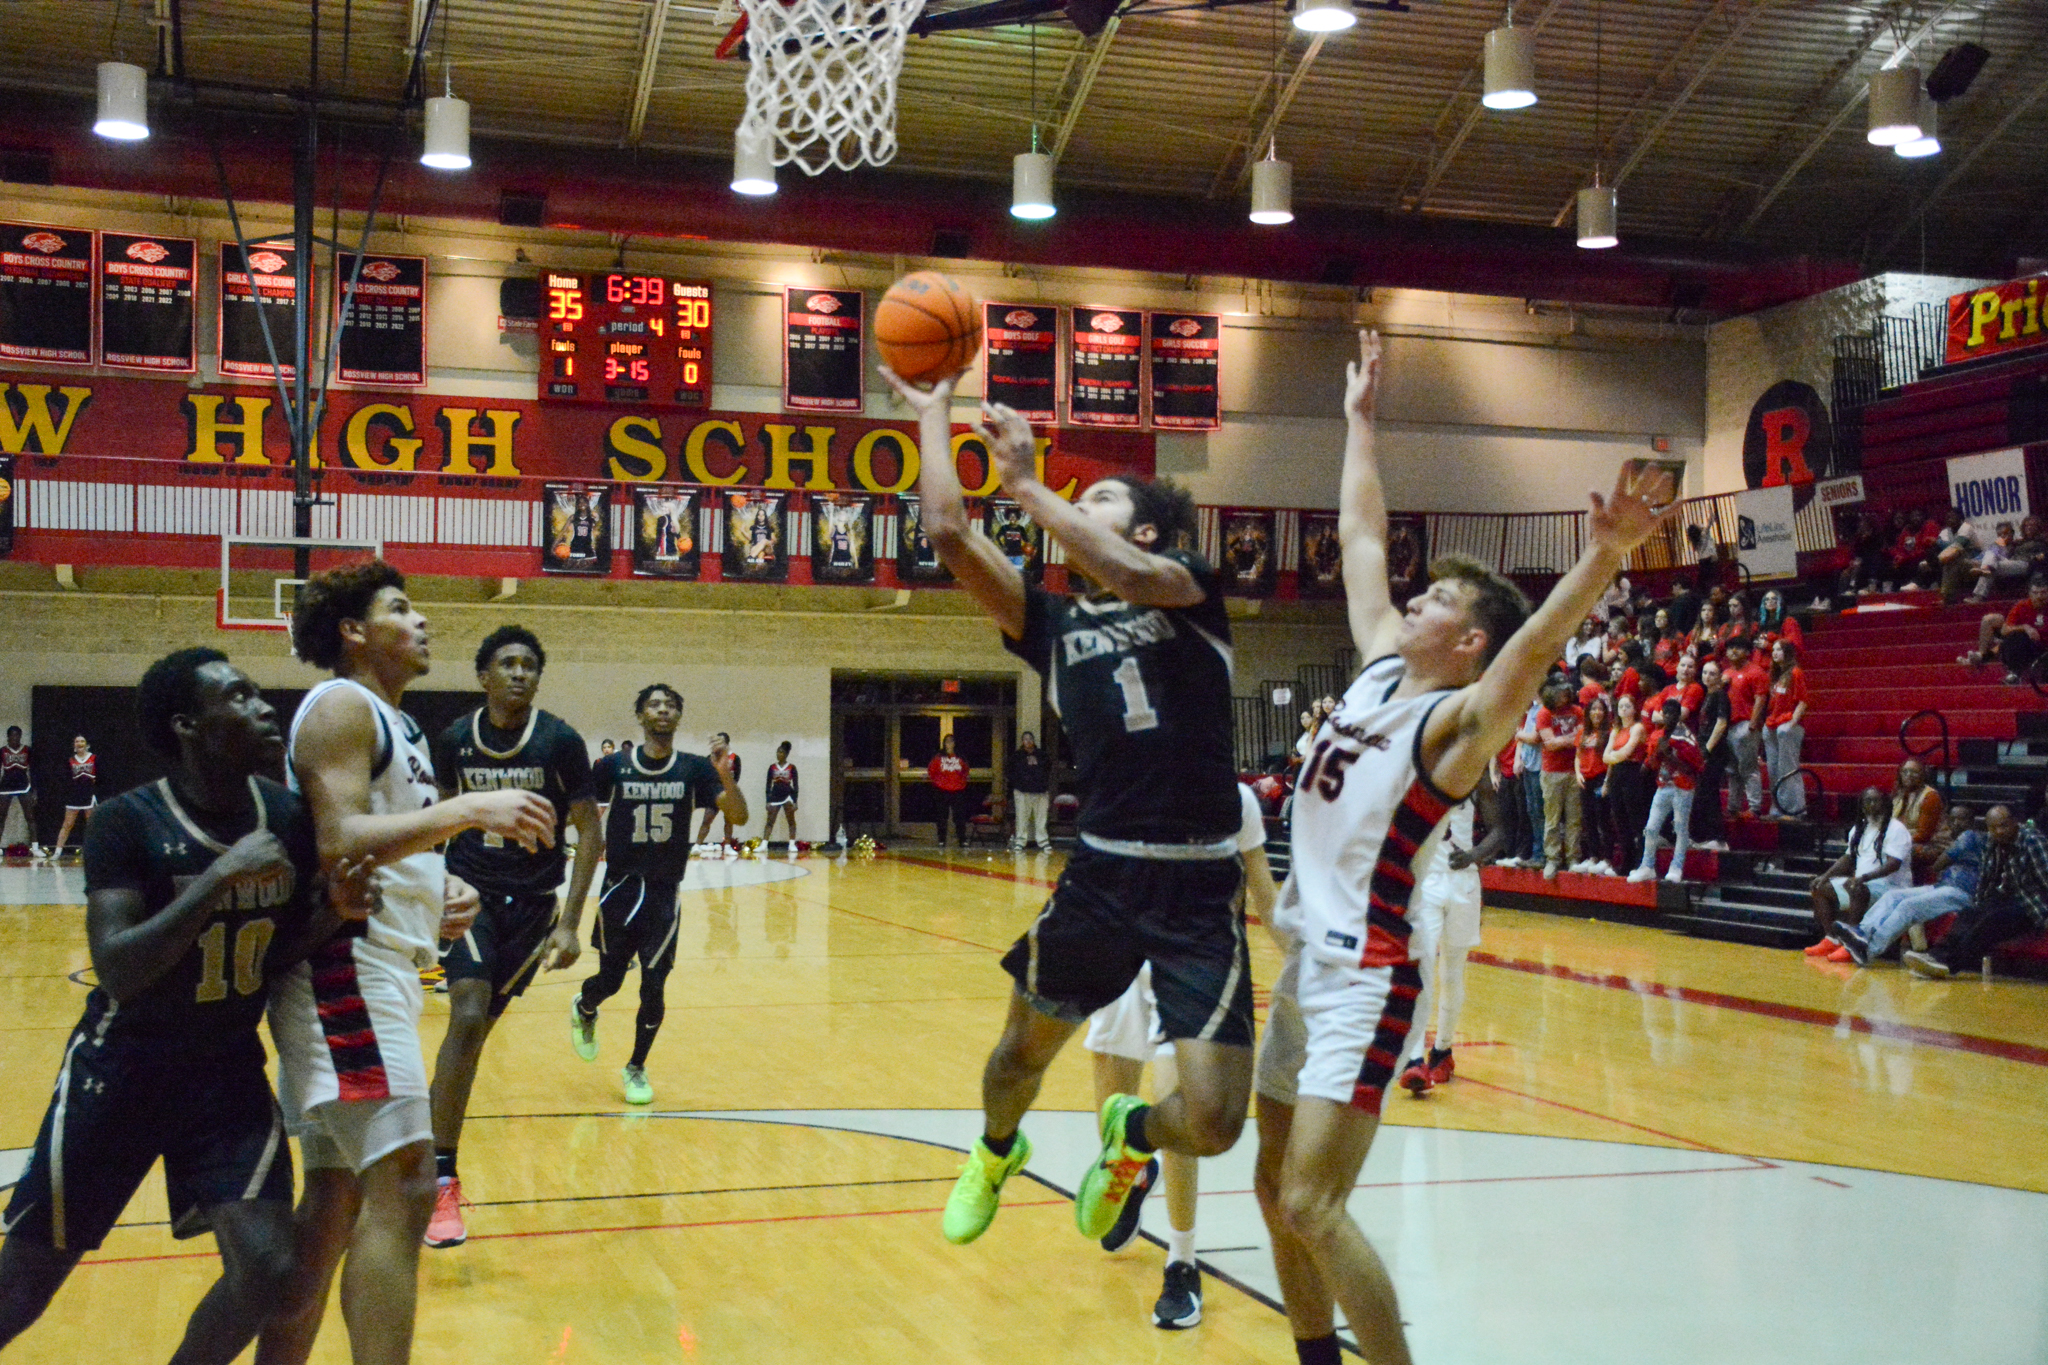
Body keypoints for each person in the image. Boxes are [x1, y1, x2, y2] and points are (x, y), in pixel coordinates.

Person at [1251, 330, 1672, 1365]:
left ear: (1469, 641)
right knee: (1269, 1188)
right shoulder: (1373, 671)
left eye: (1437, 600)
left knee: (1310, 1202)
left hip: (1368, 979)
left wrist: (1605, 556)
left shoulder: (1451, 727)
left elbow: (1534, 650)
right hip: (1306, 967)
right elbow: (1361, 534)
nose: (1414, 599)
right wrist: (1357, 423)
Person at [880, 362, 1254, 1257]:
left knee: (1213, 1120)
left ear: (1150, 527)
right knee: (1017, 1056)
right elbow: (947, 532)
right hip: (1103, 877)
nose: (1079, 512)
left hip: (1200, 887)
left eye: (1100, 501)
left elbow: (1124, 567)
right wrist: (934, 414)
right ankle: (995, 1150)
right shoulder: (1051, 624)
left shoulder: (1190, 588)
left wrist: (1027, 484)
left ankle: (1133, 1134)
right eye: (1074, 502)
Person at [0, 648, 369, 1364]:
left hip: (224, 1073)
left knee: (271, 1271)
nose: (263, 706)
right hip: (122, 1070)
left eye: (258, 692)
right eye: (238, 696)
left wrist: (334, 913)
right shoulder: (125, 821)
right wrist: (216, 878)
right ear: (187, 725)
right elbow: (118, 968)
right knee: (22, 1288)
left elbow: (277, 950)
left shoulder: (286, 816)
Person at [259, 562, 555, 1365]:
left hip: (376, 967)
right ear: (354, 631)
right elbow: (339, 837)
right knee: (410, 1180)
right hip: (342, 973)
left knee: (333, 1205)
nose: (421, 620)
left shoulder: (402, 725)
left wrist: (434, 889)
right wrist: (469, 809)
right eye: (400, 607)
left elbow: (383, 843)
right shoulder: (341, 705)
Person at [422, 625, 602, 1249]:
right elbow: (437, 819)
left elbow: (590, 832)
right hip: (470, 896)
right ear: (483, 676)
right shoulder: (454, 739)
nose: (520, 672)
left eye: (530, 664)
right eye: (508, 663)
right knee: (467, 1016)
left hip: (532, 908)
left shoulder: (560, 741)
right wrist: (433, 890)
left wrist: (571, 923)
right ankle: (438, 1182)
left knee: (470, 1038)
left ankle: (422, 1149)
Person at [1085, 782, 1275, 1330]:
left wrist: (1308, 969)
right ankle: (1134, 1173)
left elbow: (1265, 896)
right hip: (1120, 951)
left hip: (1192, 965)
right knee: (1114, 1113)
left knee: (1181, 1111)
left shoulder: (1234, 801)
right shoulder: (1124, 781)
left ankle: (1182, 1261)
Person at [566, 684, 745, 1104]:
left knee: (654, 984)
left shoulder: (696, 768)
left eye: (670, 705)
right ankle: (585, 1006)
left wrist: (724, 773)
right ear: (640, 715)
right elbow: (581, 815)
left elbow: (738, 815)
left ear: (678, 716)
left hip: (665, 892)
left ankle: (636, 1067)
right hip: (620, 889)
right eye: (654, 704)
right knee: (610, 980)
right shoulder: (613, 766)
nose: (662, 710)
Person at [1399, 771, 1505, 1092]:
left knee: (1452, 974)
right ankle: (1413, 1059)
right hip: (1427, 880)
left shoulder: (1475, 774)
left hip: (1464, 883)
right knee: (1422, 968)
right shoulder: (1414, 770)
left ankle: (1442, 1052)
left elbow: (1499, 831)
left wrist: (1474, 855)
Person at [1904, 805, 2048, 979]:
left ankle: (1947, 964)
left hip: (2031, 907)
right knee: (1969, 914)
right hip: (2006, 898)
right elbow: (1986, 878)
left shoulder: (2032, 841)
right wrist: (1979, 905)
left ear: (2014, 823)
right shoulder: (1992, 842)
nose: (1999, 831)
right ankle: (1935, 957)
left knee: (1990, 921)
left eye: (2003, 826)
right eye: (1993, 828)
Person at [1833, 805, 1982, 966]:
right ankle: (1862, 932)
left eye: (1962, 819)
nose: (1957, 823)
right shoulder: (1954, 840)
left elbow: (1939, 864)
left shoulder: (1971, 836)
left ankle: (1868, 950)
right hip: (1942, 888)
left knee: (1908, 906)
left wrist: (1944, 849)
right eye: (1953, 819)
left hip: (1963, 892)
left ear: (1972, 822)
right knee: (1893, 896)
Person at [1806, 786, 1913, 953]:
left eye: (1875, 800)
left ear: (1885, 803)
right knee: (1819, 887)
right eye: (1867, 801)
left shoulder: (1896, 828)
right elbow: (1848, 858)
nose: (1871, 804)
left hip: (1892, 889)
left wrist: (1864, 878)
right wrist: (1825, 876)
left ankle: (1852, 944)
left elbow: (1893, 864)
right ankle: (1831, 939)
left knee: (1857, 888)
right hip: (1865, 885)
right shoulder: (1859, 829)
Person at [1627, 698, 1703, 884]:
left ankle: (1676, 867)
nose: (1668, 717)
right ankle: (1647, 866)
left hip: (1683, 787)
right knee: (1651, 828)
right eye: (1665, 713)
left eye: (1672, 714)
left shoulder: (1686, 737)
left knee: (1680, 829)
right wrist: (1656, 754)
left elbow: (1694, 769)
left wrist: (1669, 755)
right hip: (1663, 786)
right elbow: (1649, 767)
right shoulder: (1657, 735)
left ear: (1678, 716)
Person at [1535, 677, 1583, 879]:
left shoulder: (1577, 711)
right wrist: (1572, 738)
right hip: (1552, 771)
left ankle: (1573, 859)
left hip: (1574, 771)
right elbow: (1550, 744)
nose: (1565, 695)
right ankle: (1552, 859)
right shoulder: (1544, 713)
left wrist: (1563, 740)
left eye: (1567, 691)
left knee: (1574, 819)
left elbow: (1582, 738)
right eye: (1561, 692)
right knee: (1552, 819)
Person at [1962, 571, 2048, 683]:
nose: (2039, 596)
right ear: (2029, 594)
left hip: (2045, 648)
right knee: (2013, 637)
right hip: (2028, 646)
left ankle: (1983, 657)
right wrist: (2025, 627)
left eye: (2043, 593)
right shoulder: (2022, 606)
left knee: (2007, 641)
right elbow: (2005, 630)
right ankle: (1988, 659)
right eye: (2035, 593)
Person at [1603, 693, 1651, 873]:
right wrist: (1613, 760)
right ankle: (1626, 861)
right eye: (1621, 706)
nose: (1623, 709)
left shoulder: (1637, 728)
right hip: (1617, 774)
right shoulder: (1615, 730)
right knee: (1620, 819)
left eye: (1627, 706)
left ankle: (1642, 861)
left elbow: (1626, 752)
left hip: (1633, 774)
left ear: (1634, 709)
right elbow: (1605, 757)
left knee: (1635, 819)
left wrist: (1613, 756)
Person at [1763, 638, 1808, 818]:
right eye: (1773, 650)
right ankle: (1777, 808)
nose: (1774, 653)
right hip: (1772, 725)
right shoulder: (1776, 675)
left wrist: (1791, 724)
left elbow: (1803, 701)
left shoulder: (1795, 673)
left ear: (1787, 653)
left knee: (1788, 768)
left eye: (1779, 650)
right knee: (1773, 770)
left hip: (1787, 727)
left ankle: (1796, 809)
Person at [1572, 694, 1616, 874]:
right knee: (1588, 820)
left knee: (1603, 820)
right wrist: (1577, 774)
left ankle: (1607, 859)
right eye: (1593, 709)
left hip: (1601, 779)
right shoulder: (1583, 732)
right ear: (1588, 712)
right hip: (1585, 781)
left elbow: (1612, 761)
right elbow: (1577, 756)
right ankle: (1593, 857)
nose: (1597, 712)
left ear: (1605, 713)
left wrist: (1607, 782)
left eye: (1600, 709)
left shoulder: (1609, 732)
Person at [45, 734, 96, 862]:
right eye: (77, 741)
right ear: (74, 745)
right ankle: (57, 852)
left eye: (82, 741)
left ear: (87, 744)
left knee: (91, 825)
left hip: (89, 795)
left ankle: (95, 852)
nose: (79, 743)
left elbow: (100, 777)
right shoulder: (70, 761)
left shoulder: (94, 758)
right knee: (67, 824)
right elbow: (65, 778)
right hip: (74, 795)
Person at [1890, 758, 1944, 878]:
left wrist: (1895, 841)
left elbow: (1924, 835)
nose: (1909, 775)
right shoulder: (1897, 794)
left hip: (1927, 844)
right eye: (1905, 771)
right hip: (1900, 839)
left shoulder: (1930, 797)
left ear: (1923, 775)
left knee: (1899, 850)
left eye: (1914, 772)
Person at [0, 723, 43, 858]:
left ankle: (35, 847)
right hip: (6, 787)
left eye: (17, 735)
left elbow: (34, 771)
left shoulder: (27, 750)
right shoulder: (2, 751)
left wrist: (34, 790)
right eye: (12, 736)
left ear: (20, 736)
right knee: (1, 817)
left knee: (30, 817)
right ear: (8, 737)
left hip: (24, 786)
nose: (15, 738)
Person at [693, 733, 743, 845]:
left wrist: (730, 789)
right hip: (714, 793)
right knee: (707, 820)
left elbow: (737, 777)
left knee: (729, 821)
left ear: (726, 743)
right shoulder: (710, 758)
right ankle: (697, 845)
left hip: (728, 793)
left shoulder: (735, 758)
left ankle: (728, 845)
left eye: (720, 741)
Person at [928, 733, 975, 847]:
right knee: (941, 817)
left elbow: (965, 771)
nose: (949, 744)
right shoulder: (938, 757)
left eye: (951, 741)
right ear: (944, 744)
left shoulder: (960, 757)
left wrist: (961, 783)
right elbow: (931, 771)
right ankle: (941, 840)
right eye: (947, 741)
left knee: (959, 817)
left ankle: (962, 839)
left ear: (955, 743)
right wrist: (938, 783)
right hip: (942, 791)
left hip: (958, 791)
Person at [1009, 730, 1050, 851]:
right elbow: (1010, 772)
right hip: (1022, 792)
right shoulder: (1017, 756)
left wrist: (1042, 783)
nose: (1028, 741)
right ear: (1022, 742)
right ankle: (1020, 841)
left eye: (1030, 739)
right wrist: (1018, 784)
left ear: (1033, 741)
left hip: (1040, 791)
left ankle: (1043, 841)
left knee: (1041, 818)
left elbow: (1048, 769)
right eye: (1025, 739)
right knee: (1022, 817)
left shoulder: (1042, 755)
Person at [763, 741, 800, 843]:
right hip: (775, 796)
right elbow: (768, 785)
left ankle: (792, 843)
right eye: (777, 752)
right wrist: (768, 801)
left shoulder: (792, 767)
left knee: (791, 821)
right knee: (770, 821)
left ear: (786, 754)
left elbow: (796, 785)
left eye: (781, 752)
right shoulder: (772, 767)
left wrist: (795, 801)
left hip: (788, 796)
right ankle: (764, 843)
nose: (778, 754)